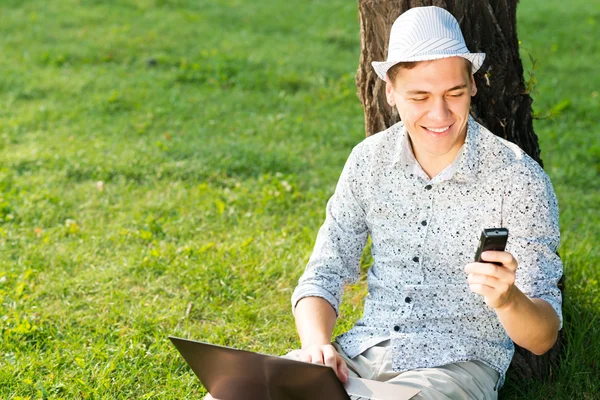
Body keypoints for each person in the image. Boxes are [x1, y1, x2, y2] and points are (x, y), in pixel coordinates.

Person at [205, 6, 562, 400]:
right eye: (419, 96)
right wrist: (317, 345)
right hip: (360, 354)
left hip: (454, 368)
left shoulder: (517, 177)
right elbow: (324, 271)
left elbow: (542, 337)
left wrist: (508, 299)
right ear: (390, 93)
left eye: (454, 93)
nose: (439, 113)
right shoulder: (368, 160)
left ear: (473, 85)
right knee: (229, 392)